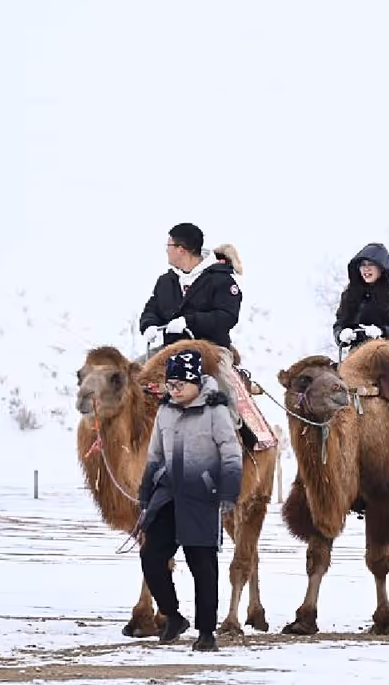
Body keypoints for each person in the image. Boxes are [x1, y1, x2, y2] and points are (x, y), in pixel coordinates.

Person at [133, 348, 242, 651]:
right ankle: (173, 615)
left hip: (200, 497)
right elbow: (154, 455)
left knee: (202, 566)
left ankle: (207, 632)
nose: (175, 390)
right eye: (171, 384)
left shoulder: (215, 411)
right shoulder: (165, 412)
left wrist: (229, 491)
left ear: (196, 381)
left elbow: (231, 454)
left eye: (180, 384)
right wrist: (145, 494)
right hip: (167, 495)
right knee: (151, 556)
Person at [139, 223, 256, 448]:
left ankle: (232, 437)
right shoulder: (166, 281)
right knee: (132, 377)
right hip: (169, 350)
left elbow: (227, 316)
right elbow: (151, 309)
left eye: (169, 245)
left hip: (211, 349)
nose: (167, 250)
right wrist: (150, 326)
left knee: (221, 385)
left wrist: (189, 322)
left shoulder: (221, 279)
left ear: (181, 249)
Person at [332, 242, 389, 460]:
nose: (366, 269)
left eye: (370, 264)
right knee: (329, 386)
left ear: (382, 268)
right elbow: (338, 323)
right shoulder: (350, 297)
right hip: (355, 359)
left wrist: (383, 332)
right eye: (362, 265)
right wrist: (341, 335)